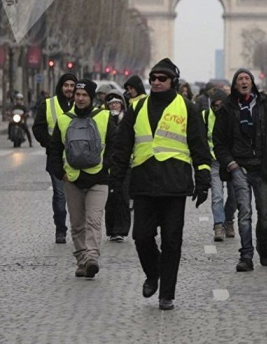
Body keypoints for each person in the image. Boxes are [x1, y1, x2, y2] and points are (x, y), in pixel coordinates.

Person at [111, 58, 211, 311]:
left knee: (172, 242)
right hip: (143, 183)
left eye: (162, 78)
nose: (156, 82)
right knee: (141, 237)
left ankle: (167, 293)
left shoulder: (187, 107)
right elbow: (122, 145)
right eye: (153, 78)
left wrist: (203, 179)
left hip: (175, 185)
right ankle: (153, 272)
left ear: (172, 82)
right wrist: (115, 180)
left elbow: (199, 146)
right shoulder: (137, 107)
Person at [213, 69, 267, 271]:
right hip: (239, 168)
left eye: (247, 78)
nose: (244, 81)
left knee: (265, 214)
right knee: (244, 213)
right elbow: (219, 142)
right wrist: (230, 163)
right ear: (235, 85)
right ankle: (246, 255)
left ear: (252, 83)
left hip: (263, 168)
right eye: (240, 79)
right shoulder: (226, 109)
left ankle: (263, 246)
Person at [48, 79, 116, 278]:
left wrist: (106, 167)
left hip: (98, 179)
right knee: (77, 223)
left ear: (91, 97)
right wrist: (60, 173)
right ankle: (81, 260)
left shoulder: (104, 117)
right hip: (72, 179)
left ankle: (92, 257)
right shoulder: (63, 119)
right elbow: (54, 150)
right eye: (77, 95)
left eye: (84, 95)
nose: (80, 98)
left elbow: (115, 144)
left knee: (94, 220)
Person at [32, 73, 76, 243]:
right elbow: (38, 128)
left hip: (79, 159)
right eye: (66, 85)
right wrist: (51, 144)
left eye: (72, 85)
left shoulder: (81, 103)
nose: (69, 89)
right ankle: (60, 230)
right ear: (60, 87)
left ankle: (79, 229)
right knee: (59, 195)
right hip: (56, 158)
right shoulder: (48, 104)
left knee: (78, 196)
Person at [205, 89, 237, 241]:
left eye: (220, 105)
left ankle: (229, 220)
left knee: (235, 196)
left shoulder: (233, 116)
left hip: (231, 162)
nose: (218, 108)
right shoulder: (205, 117)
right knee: (217, 196)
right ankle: (219, 225)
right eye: (215, 105)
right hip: (214, 162)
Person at [104, 90, 130, 242]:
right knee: (110, 198)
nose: (114, 105)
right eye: (111, 103)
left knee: (123, 197)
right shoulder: (103, 119)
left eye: (117, 103)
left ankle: (121, 229)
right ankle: (112, 230)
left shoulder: (127, 120)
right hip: (108, 163)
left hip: (126, 164)